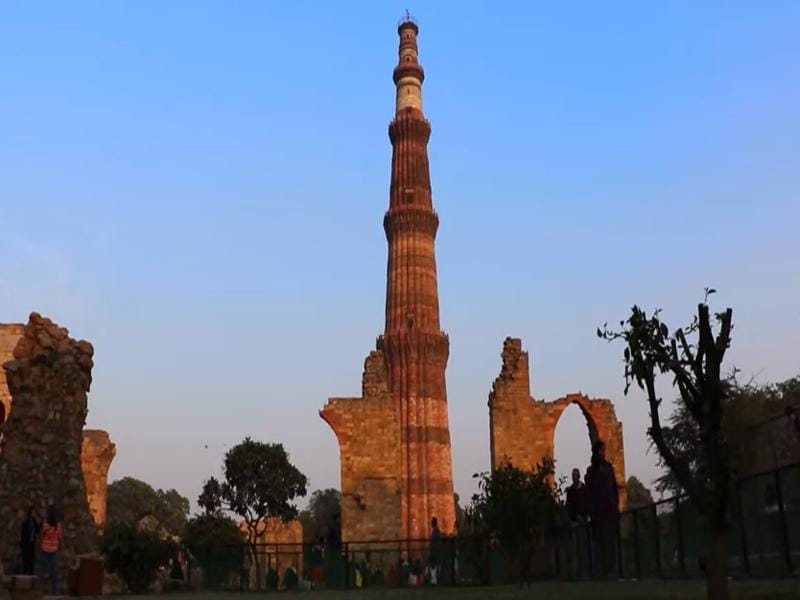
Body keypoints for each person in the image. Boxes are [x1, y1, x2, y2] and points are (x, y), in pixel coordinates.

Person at [585, 441, 620, 577]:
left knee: (610, 542)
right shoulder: (591, 471)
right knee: (599, 543)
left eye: (603, 450)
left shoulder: (608, 468)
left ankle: (610, 570)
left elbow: (614, 487)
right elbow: (590, 492)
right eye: (601, 450)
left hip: (609, 510)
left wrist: (615, 503)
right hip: (598, 513)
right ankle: (600, 572)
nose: (603, 453)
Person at [40, 506, 62, 594]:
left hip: (45, 549)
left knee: (44, 570)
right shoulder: (58, 526)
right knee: (54, 571)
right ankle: (55, 591)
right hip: (54, 549)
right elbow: (60, 537)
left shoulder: (45, 525)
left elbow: (42, 535)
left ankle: (42, 591)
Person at [20, 508, 39, 575]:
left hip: (32, 544)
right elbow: (22, 535)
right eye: (33, 512)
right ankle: (24, 577)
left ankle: (31, 577)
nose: (34, 514)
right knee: (25, 562)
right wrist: (22, 545)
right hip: (26, 545)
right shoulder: (25, 523)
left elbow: (37, 531)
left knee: (31, 562)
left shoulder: (34, 522)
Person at [427, 516, 442, 585]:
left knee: (434, 565)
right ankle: (434, 579)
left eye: (431, 522)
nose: (431, 524)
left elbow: (435, 541)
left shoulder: (436, 531)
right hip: (434, 550)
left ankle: (435, 580)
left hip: (435, 550)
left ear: (434, 523)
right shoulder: (435, 531)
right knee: (433, 565)